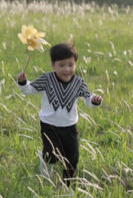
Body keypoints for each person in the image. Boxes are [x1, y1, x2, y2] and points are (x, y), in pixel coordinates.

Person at [17, 42, 103, 188]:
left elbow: (88, 98)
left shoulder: (78, 83)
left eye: (71, 65)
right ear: (53, 65)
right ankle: (45, 160)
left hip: (69, 126)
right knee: (51, 154)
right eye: (61, 65)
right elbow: (29, 89)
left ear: (75, 64)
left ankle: (67, 185)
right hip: (49, 124)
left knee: (72, 156)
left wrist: (94, 100)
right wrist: (23, 82)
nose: (67, 69)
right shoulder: (47, 79)